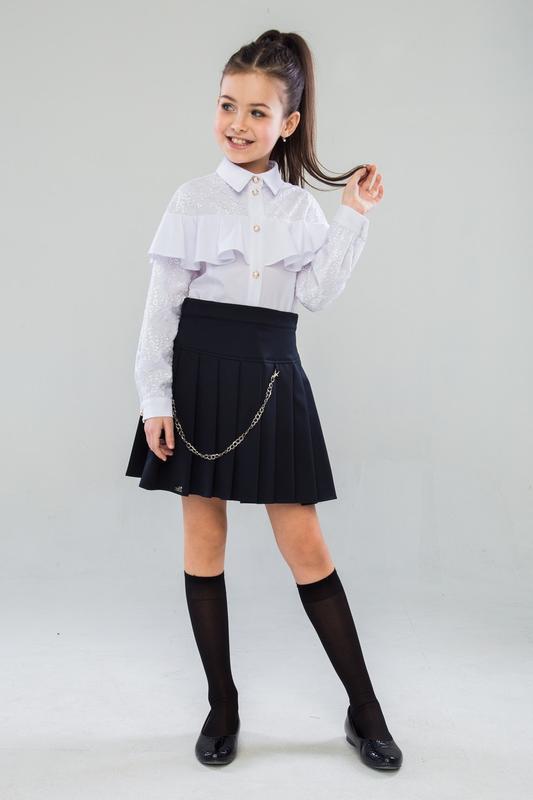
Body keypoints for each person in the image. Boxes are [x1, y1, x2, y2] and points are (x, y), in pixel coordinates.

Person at [125, 29, 403, 771]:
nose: (237, 123)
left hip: (273, 377)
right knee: (203, 541)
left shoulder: (299, 210)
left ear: (288, 122)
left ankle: (364, 709)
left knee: (305, 544)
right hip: (197, 380)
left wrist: (353, 215)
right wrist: (154, 400)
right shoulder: (191, 199)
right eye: (227, 105)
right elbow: (160, 310)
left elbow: (314, 294)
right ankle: (222, 704)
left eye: (257, 111)